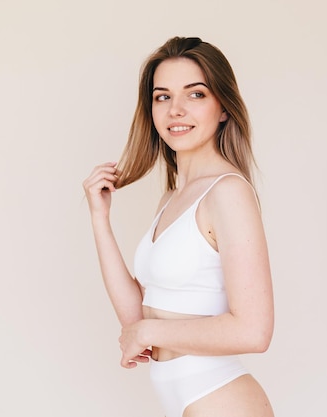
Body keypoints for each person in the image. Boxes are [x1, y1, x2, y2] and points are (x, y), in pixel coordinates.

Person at [83, 36, 274, 417]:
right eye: (163, 97)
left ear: (223, 108)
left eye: (196, 94)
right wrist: (100, 219)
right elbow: (138, 318)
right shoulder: (172, 198)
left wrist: (149, 333)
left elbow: (255, 331)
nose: (177, 110)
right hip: (180, 397)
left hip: (220, 399)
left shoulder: (228, 192)